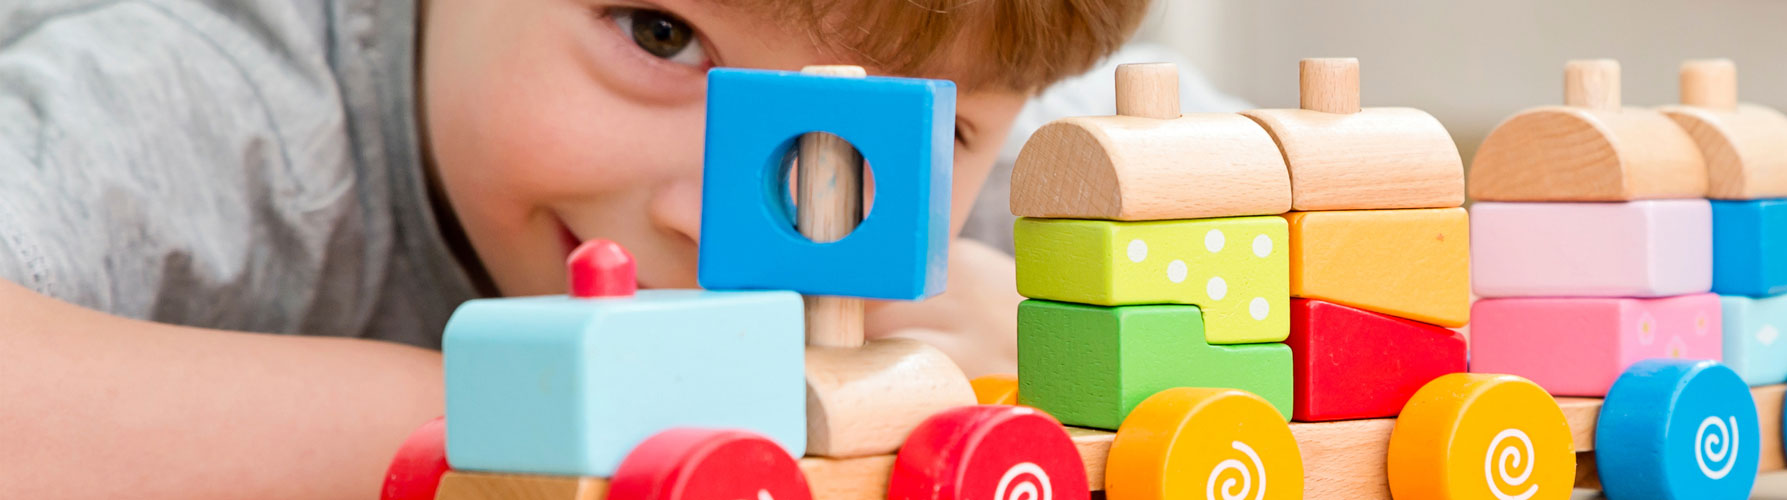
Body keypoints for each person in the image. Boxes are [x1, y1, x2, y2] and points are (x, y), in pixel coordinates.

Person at [0, 0, 1153, 497]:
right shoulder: (224, 107)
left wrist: (1065, 352)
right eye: (661, 35)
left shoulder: (1037, 188)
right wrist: (502, 426)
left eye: (919, 132)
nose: (720, 215)